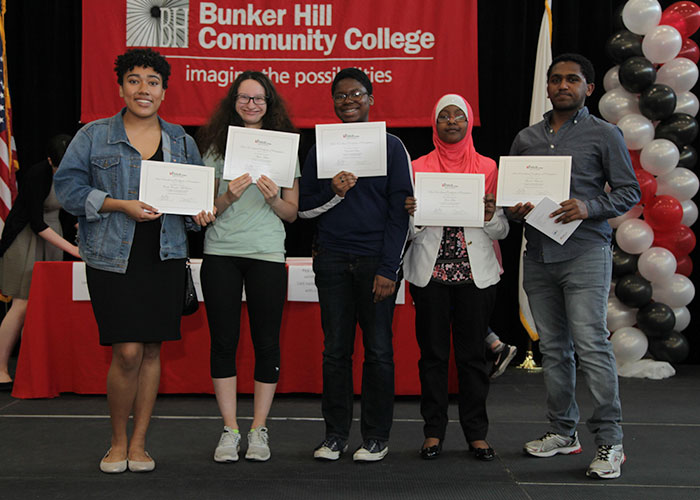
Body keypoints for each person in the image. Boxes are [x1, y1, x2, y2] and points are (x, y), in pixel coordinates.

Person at [54, 48, 214, 474]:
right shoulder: (93, 135)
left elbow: (195, 207)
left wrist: (200, 213)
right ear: (121, 86)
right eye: (135, 80)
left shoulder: (182, 140)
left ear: (164, 91)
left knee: (151, 350)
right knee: (125, 351)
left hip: (164, 256)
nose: (144, 89)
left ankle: (139, 443)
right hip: (111, 257)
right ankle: (117, 441)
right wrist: (118, 204)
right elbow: (67, 189)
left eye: (153, 82)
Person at [508, 53, 640, 479]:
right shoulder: (526, 138)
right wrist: (516, 208)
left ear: (589, 88)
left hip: (585, 253)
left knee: (592, 346)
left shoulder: (605, 134)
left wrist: (589, 206)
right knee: (554, 350)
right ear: (547, 87)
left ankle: (610, 442)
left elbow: (627, 192)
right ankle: (564, 431)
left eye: (572, 80)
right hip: (540, 257)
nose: (562, 85)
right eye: (555, 79)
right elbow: (512, 207)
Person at [299, 68, 412, 462]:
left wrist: (388, 268)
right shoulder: (319, 149)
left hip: (374, 264)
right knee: (335, 352)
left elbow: (402, 214)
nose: (348, 101)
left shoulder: (392, 147)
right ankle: (335, 436)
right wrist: (332, 191)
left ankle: (377, 437)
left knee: (379, 351)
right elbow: (304, 209)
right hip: (331, 260)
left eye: (356, 94)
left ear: (371, 99)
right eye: (341, 96)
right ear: (332, 101)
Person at [196, 71, 299, 463]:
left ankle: (258, 429)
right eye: (244, 97)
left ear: (269, 104)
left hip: (268, 254)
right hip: (220, 252)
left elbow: (292, 213)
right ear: (233, 101)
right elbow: (203, 213)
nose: (251, 104)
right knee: (223, 342)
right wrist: (228, 195)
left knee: (266, 343)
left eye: (259, 99)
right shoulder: (212, 146)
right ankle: (229, 429)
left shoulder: (285, 149)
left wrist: (274, 199)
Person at [403, 94, 509, 461]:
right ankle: (433, 432)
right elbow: (409, 234)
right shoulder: (417, 167)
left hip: (475, 276)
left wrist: (491, 214)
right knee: (432, 357)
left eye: (458, 116)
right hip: (429, 276)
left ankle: (476, 434)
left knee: (472, 360)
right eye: (444, 116)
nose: (451, 122)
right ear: (434, 123)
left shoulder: (488, 167)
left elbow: (501, 232)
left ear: (469, 122)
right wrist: (412, 215)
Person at [0, 135, 81, 390]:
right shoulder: (36, 175)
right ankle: (0, 367)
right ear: (49, 161)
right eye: (59, 167)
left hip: (53, 231)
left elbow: (73, 205)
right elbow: (36, 223)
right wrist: (74, 250)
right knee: (22, 304)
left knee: (44, 305)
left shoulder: (78, 171)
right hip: (27, 235)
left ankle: (34, 367)